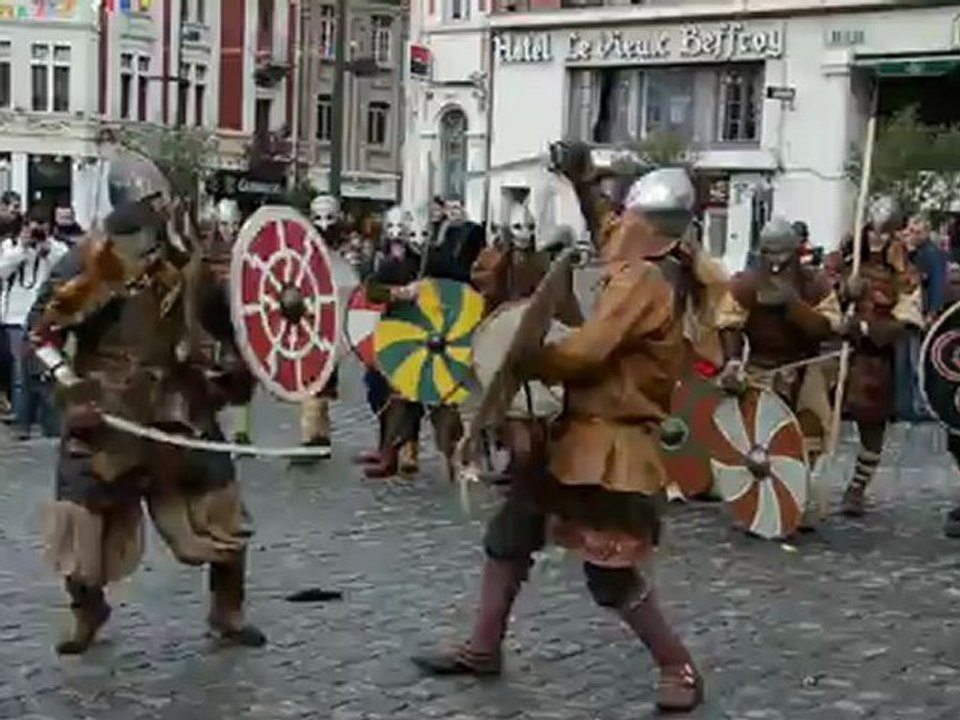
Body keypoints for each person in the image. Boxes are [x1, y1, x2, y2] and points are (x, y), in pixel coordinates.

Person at [412, 156, 705, 713]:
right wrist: (581, 178)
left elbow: (588, 351)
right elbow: (604, 230)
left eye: (625, 220)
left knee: (609, 574)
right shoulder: (628, 268)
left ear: (649, 229)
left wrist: (530, 357)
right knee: (511, 533)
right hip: (570, 437)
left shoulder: (646, 281)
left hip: (613, 446)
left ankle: (678, 667)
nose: (614, 229)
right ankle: (482, 648)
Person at [27, 154, 265, 654]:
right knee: (83, 517)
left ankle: (228, 607)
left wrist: (239, 365)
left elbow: (233, 323)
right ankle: (86, 610)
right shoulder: (91, 262)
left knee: (218, 501)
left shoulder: (187, 259)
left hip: (180, 402)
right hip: (107, 410)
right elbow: (42, 335)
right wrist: (71, 388)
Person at [714, 217, 841, 523]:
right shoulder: (747, 283)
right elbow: (728, 323)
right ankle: (758, 502)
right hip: (761, 367)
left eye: (781, 254)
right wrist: (733, 361)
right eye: (769, 254)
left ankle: (798, 498)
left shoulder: (814, 283)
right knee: (758, 439)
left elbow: (827, 327)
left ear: (796, 252)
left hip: (804, 365)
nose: (775, 262)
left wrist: (793, 305)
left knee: (808, 432)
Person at [836, 197, 923, 517]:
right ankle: (804, 482)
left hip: (874, 356)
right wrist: (845, 289)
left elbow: (908, 319)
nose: (877, 239)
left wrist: (867, 327)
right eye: (874, 232)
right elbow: (822, 291)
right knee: (814, 414)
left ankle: (856, 489)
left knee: (872, 423)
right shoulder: (847, 255)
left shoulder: (904, 270)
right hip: (837, 353)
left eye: (884, 234)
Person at [0, 207, 70, 439]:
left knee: (48, 368)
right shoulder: (11, 246)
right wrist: (23, 248)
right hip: (16, 316)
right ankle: (23, 423)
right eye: (33, 226)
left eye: (43, 226)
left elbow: (65, 268)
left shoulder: (56, 247)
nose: (38, 231)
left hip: (45, 318)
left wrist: (46, 251)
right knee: (21, 373)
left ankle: (48, 421)